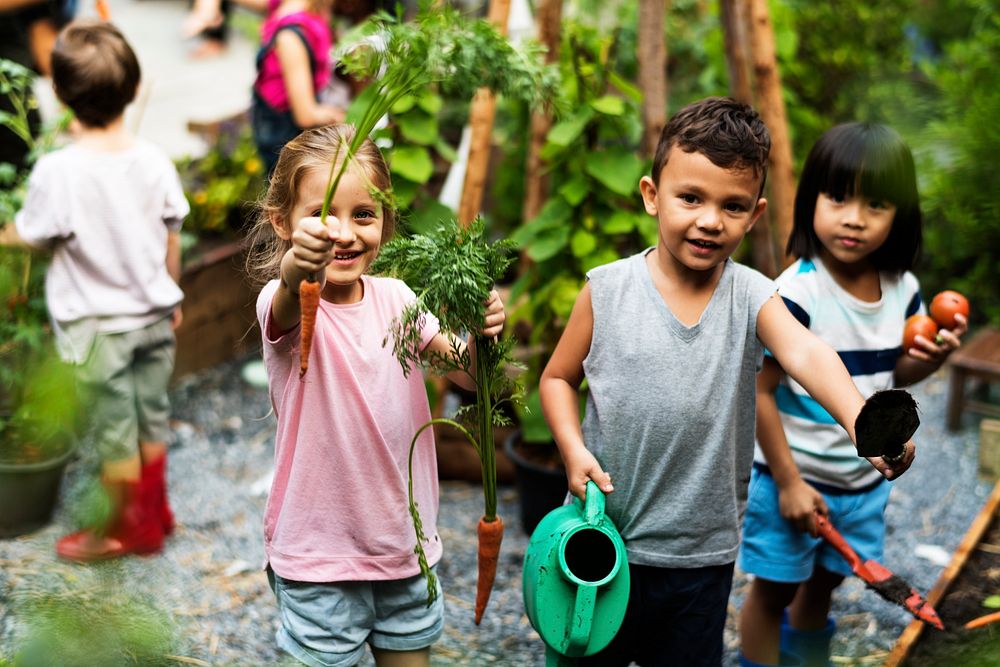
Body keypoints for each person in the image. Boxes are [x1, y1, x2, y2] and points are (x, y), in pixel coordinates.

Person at [538, 98, 917, 667]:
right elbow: (557, 378)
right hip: (599, 539)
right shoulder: (606, 290)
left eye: (732, 205)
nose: (710, 220)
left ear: (755, 214)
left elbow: (806, 353)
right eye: (690, 197)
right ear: (651, 194)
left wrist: (861, 418)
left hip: (701, 559)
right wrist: (571, 449)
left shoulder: (752, 295)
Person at [245, 123, 505, 667]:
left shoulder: (397, 298)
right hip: (318, 555)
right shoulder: (284, 300)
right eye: (321, 215)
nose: (343, 232)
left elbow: (466, 375)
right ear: (281, 222)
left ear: (384, 222)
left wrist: (483, 339)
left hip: (403, 547)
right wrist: (299, 260)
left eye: (364, 214)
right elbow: (291, 288)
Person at [737, 123, 967, 667]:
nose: (854, 217)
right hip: (791, 480)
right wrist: (789, 483)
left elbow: (892, 375)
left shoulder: (904, 289)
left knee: (823, 589)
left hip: (862, 484)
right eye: (838, 197)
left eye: (876, 204)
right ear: (811, 197)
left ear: (900, 214)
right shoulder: (797, 291)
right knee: (772, 592)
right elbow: (760, 392)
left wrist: (927, 359)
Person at [0, 20, 187, 561]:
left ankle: (127, 530)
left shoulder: (59, 171)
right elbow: (170, 234)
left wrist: (8, 234)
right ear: (133, 90)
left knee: (114, 434)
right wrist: (169, 293)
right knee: (152, 415)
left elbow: (34, 236)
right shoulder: (153, 160)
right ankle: (156, 512)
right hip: (154, 316)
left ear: (58, 93)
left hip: (99, 329)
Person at [250, 0, 347, 175]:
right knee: (287, 187)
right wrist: (346, 118)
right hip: (281, 127)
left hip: (286, 110)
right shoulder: (292, 35)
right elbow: (306, 115)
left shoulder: (306, 7)